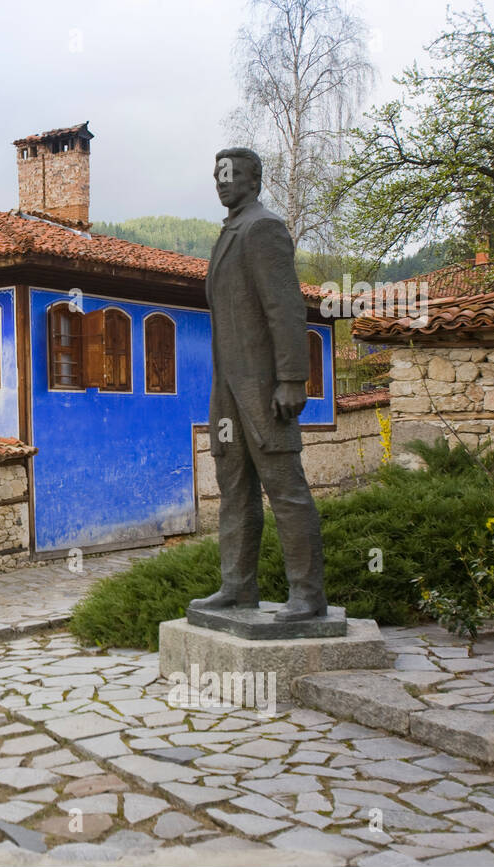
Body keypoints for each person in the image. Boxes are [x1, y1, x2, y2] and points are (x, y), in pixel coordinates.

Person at [189, 146, 327, 622]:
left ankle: (307, 595)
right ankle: (237, 588)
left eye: (232, 173)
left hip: (266, 391)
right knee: (234, 490)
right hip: (228, 393)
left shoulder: (263, 228)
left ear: (254, 179)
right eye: (217, 174)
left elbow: (286, 308)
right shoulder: (229, 232)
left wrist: (291, 378)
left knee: (286, 490)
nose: (222, 181)